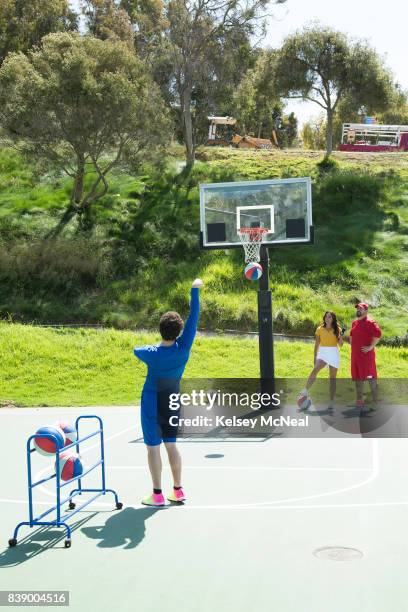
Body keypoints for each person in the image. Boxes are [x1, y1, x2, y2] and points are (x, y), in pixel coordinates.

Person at [134, 278, 203, 506]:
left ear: (160, 329)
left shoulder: (150, 353)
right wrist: (194, 289)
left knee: (153, 448)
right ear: (180, 331)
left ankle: (157, 495)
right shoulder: (183, 348)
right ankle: (178, 490)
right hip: (172, 400)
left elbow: (137, 349)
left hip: (152, 401)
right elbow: (194, 315)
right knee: (171, 445)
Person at [300, 311, 344, 409]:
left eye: (330, 317)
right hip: (323, 352)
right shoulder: (319, 329)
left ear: (333, 319)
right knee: (315, 370)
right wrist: (315, 357)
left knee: (332, 378)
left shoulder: (338, 329)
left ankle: (331, 401)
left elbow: (340, 344)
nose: (327, 319)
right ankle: (305, 390)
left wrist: (340, 337)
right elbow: (316, 344)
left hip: (333, 353)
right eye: (326, 317)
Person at [350, 302, 381, 410]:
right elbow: (352, 336)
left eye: (361, 308)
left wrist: (371, 346)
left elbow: (378, 334)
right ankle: (360, 401)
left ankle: (375, 401)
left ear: (366, 311)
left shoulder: (371, 322)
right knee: (358, 378)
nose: (358, 310)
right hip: (355, 357)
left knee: (370, 378)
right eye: (357, 308)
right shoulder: (354, 323)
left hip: (366, 357)